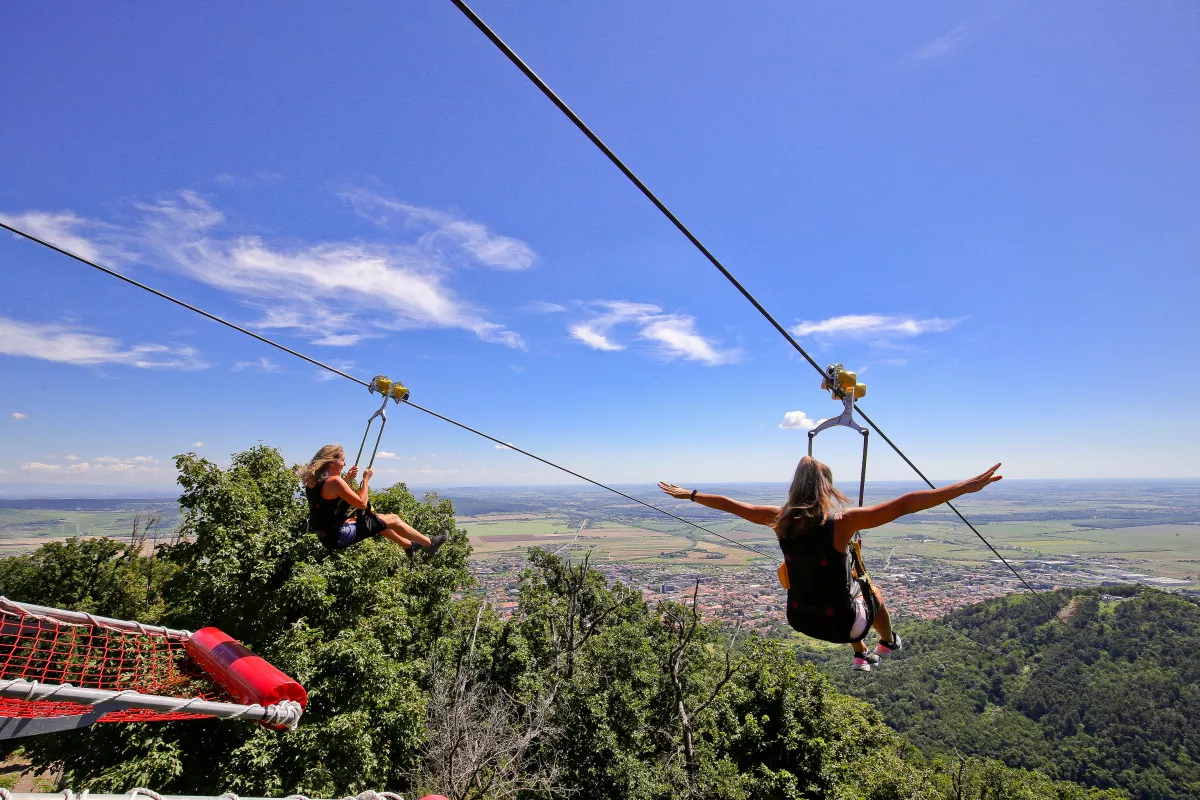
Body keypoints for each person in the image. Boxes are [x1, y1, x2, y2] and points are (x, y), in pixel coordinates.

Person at [659, 458, 1001, 671]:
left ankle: (861, 652)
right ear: (827, 488)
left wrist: (690, 494)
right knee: (869, 589)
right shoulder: (841, 523)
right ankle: (889, 641)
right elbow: (905, 505)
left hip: (801, 619)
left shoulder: (778, 519)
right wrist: (964, 487)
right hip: (842, 624)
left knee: (841, 589)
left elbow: (731, 505)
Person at [299, 444, 448, 555]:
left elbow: (330, 497)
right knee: (393, 519)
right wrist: (366, 480)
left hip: (327, 534)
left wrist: (348, 478)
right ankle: (430, 544)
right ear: (332, 462)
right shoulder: (334, 482)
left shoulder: (314, 481)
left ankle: (409, 546)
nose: (344, 464)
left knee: (377, 520)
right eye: (342, 461)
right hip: (338, 535)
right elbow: (362, 503)